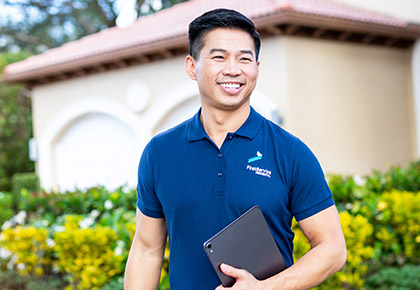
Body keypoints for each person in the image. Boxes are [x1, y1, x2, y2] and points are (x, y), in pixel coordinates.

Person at [124, 8, 346, 290]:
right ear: (192, 67)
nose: (233, 69)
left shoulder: (291, 153)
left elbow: (332, 248)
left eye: (244, 58)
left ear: (256, 68)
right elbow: (146, 250)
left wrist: (265, 288)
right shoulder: (159, 153)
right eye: (219, 57)